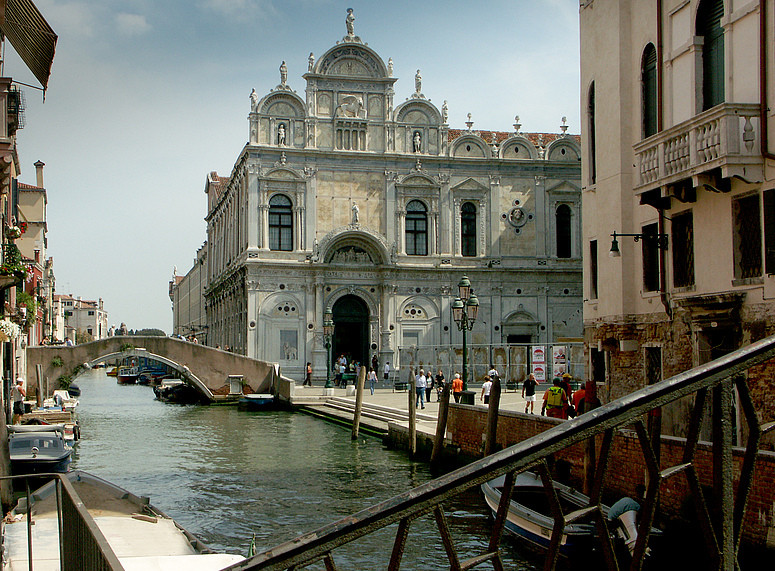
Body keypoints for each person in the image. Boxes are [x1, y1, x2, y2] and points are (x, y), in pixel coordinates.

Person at [608, 485, 646, 556]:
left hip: (613, 516)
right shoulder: (635, 506)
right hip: (623, 511)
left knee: (629, 536)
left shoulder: (629, 500)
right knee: (633, 537)